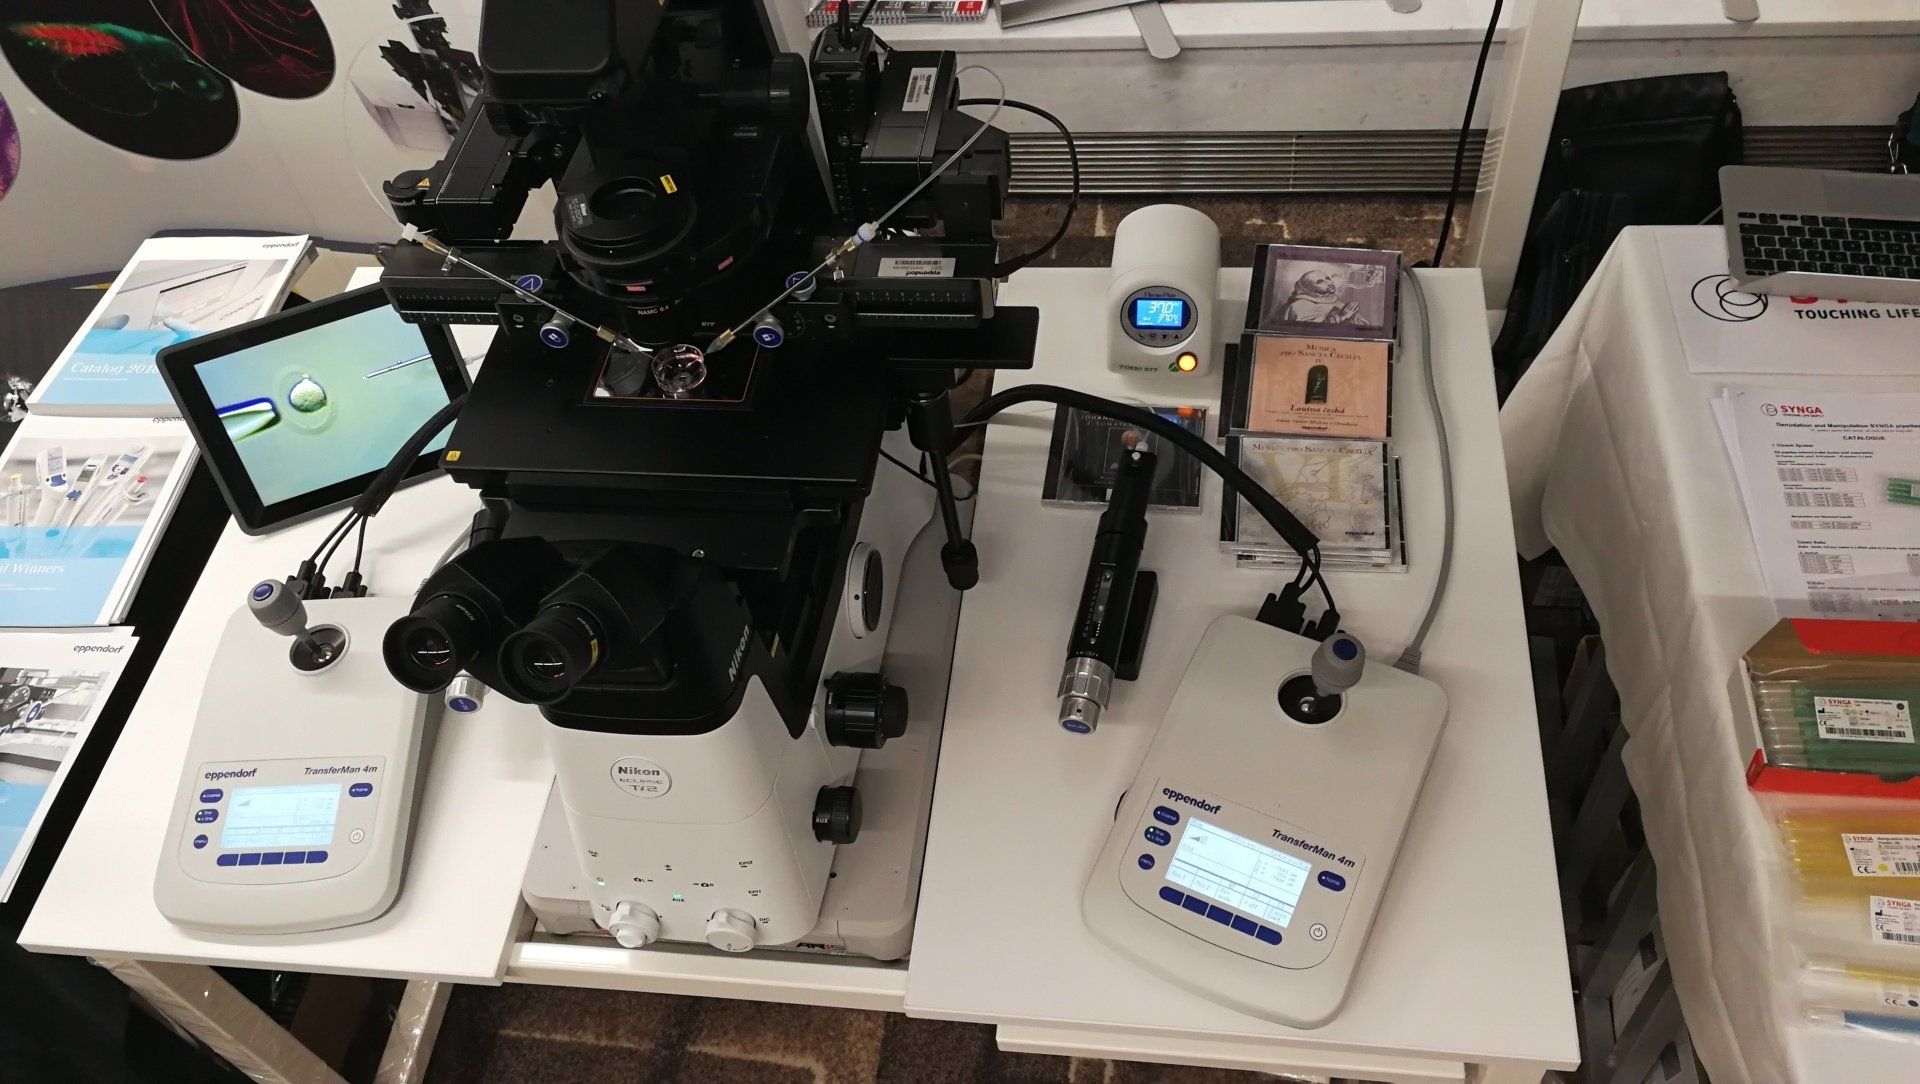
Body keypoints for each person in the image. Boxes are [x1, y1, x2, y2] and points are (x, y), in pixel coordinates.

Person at [1281, 268, 1362, 324]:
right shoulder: (1299, 305)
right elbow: (1309, 331)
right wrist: (1341, 317)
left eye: (1327, 278)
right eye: (1320, 282)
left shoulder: (1331, 299)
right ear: (1309, 288)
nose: (1329, 283)